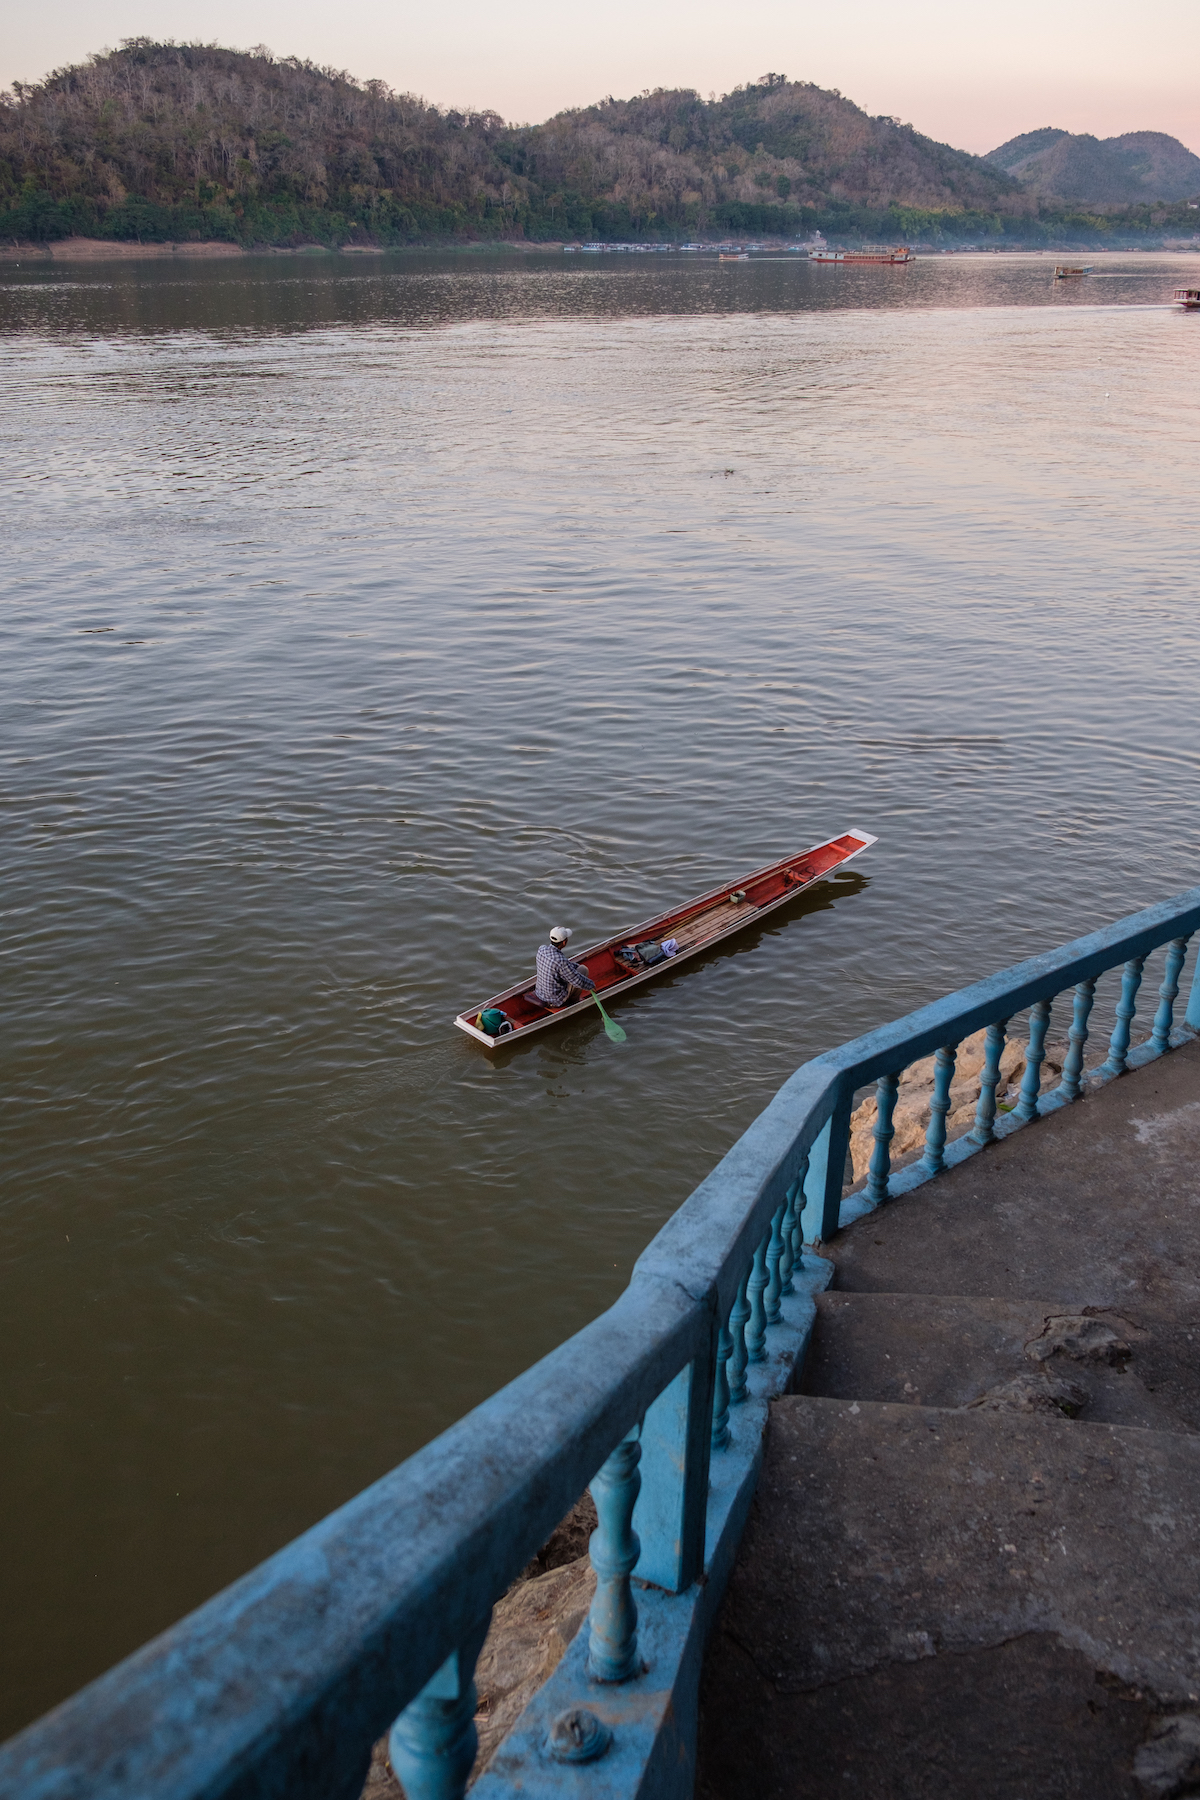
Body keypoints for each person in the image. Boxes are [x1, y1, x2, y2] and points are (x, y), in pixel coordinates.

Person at [534, 926, 597, 1010]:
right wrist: (591, 985)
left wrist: (574, 966)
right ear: (564, 942)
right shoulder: (560, 961)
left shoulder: (541, 949)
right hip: (555, 1001)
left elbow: (563, 965)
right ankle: (574, 1001)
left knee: (575, 968)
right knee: (583, 970)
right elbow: (577, 981)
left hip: (540, 994)